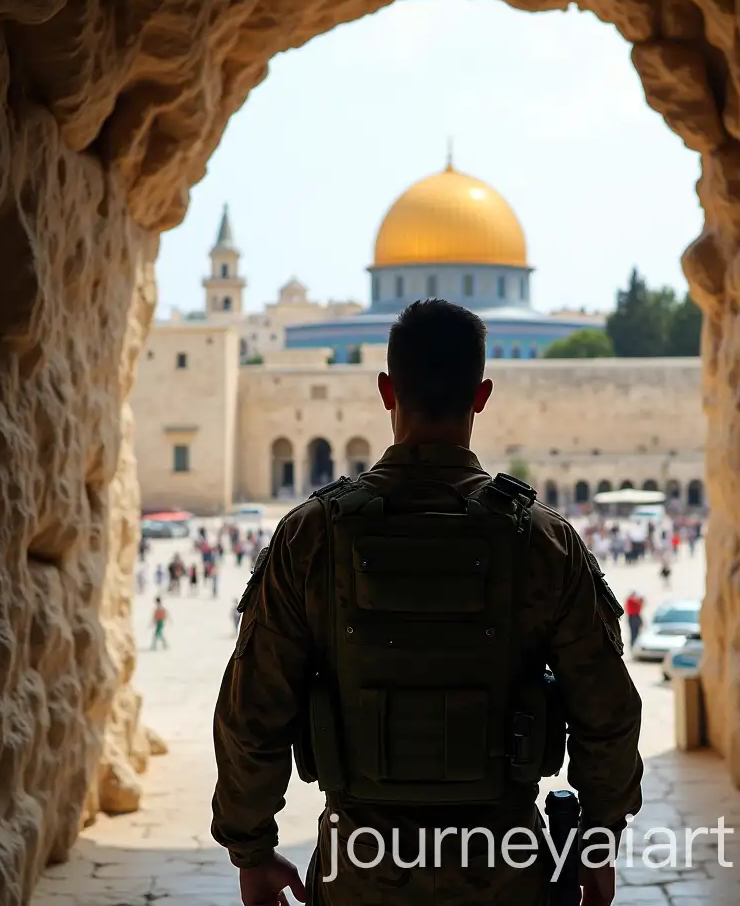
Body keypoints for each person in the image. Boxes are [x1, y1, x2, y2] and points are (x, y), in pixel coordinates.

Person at [212, 300, 643, 906]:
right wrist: (597, 844)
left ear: (387, 391)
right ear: (483, 395)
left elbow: (251, 711)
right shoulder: (543, 541)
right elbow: (608, 713)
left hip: (361, 866)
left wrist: (251, 850)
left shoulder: (311, 536)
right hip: (504, 867)